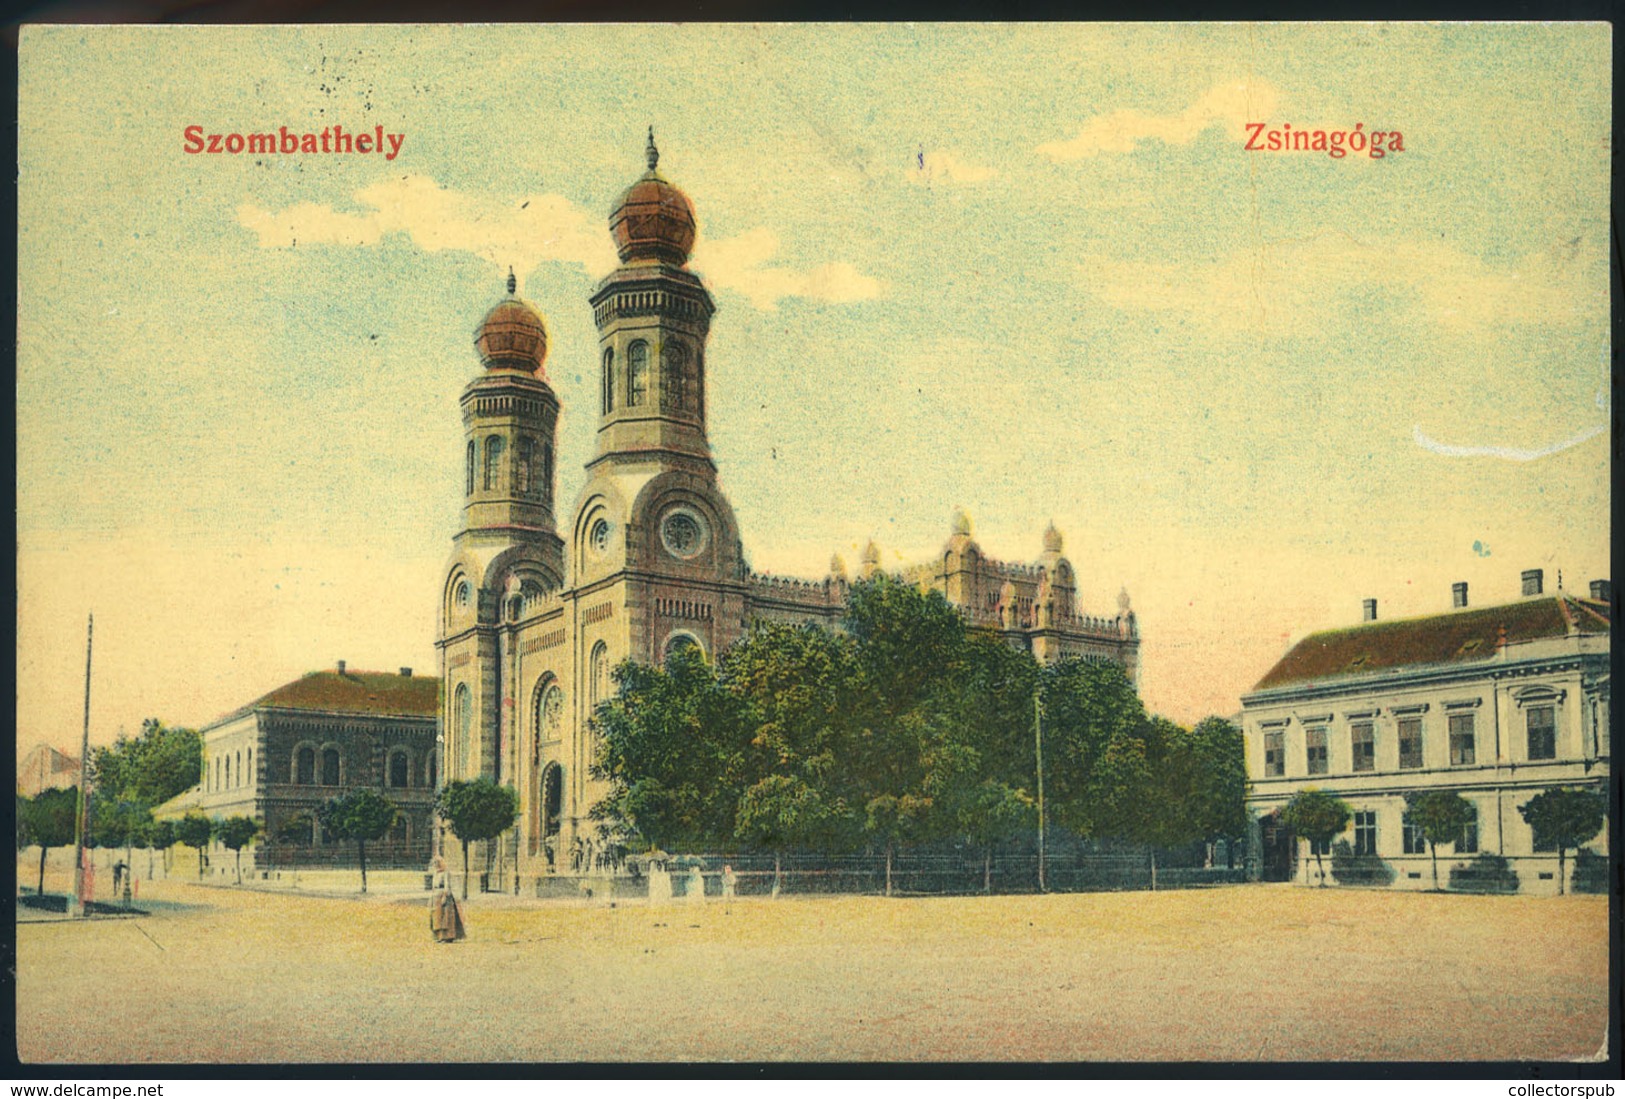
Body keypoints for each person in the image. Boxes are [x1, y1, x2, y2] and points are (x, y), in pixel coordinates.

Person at [428, 856, 465, 944]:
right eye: (434, 864)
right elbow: (433, 886)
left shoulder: (445, 873)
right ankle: (439, 936)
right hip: (435, 897)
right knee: (437, 917)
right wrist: (431, 898)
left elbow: (446, 886)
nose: (436, 866)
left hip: (443, 896)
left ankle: (448, 936)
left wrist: (445, 896)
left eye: (437, 863)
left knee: (446, 917)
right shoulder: (435, 873)